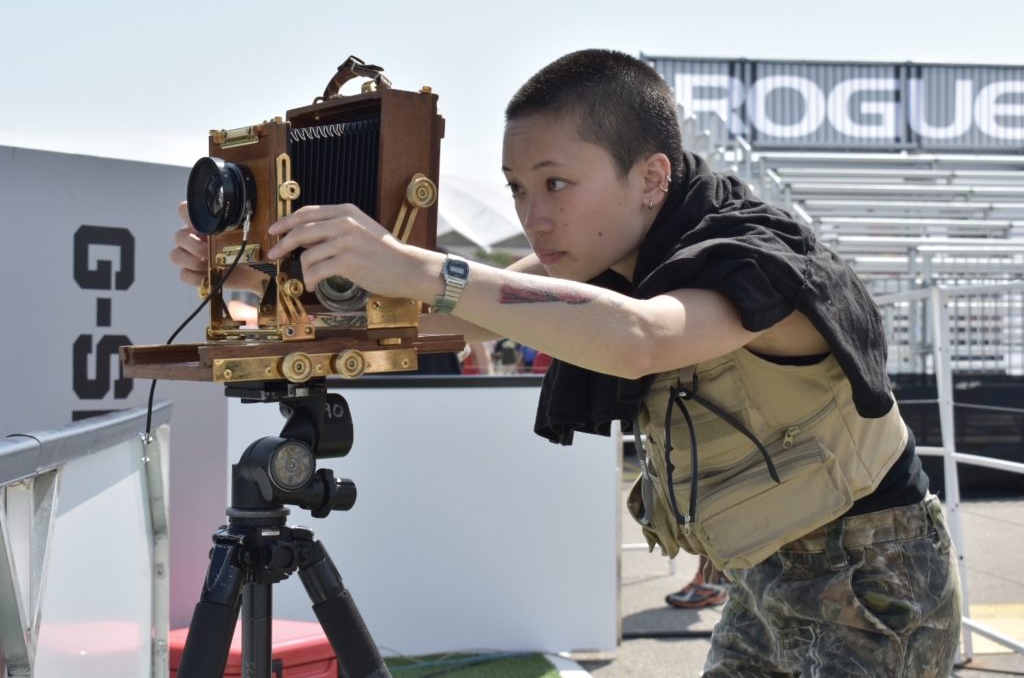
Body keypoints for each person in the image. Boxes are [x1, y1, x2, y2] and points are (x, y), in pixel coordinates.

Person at [171, 49, 961, 677]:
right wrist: (251, 267)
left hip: (871, 576)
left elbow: (641, 337)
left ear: (652, 177)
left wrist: (417, 268)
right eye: (519, 187)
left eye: (557, 183)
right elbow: (477, 297)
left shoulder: (757, 257)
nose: (535, 213)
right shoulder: (619, 253)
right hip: (766, 573)